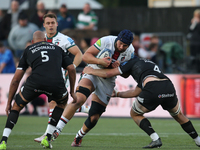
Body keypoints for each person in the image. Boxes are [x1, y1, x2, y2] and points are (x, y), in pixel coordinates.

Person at [41, 29, 135, 148]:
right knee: (79, 98)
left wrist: (120, 67)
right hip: (92, 71)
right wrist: (99, 61)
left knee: (94, 117)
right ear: (117, 38)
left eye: (124, 45)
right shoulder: (106, 41)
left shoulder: (131, 52)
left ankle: (79, 136)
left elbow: (126, 74)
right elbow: (86, 56)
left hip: (108, 80)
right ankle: (56, 130)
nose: (121, 46)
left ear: (129, 45)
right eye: (120, 43)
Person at [82, 57, 200, 148]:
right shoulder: (147, 64)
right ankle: (198, 141)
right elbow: (135, 92)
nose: (123, 75)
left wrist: (91, 70)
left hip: (153, 88)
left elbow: (109, 73)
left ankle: (155, 139)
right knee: (179, 116)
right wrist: (117, 94)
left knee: (135, 114)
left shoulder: (130, 63)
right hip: (168, 86)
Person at [0, 31, 77, 150]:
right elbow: (71, 68)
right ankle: (48, 137)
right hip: (55, 84)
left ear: (32, 42)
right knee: (62, 103)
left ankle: (3, 141)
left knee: (16, 107)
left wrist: (9, 102)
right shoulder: (57, 48)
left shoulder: (28, 49)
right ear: (45, 40)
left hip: (35, 83)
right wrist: (72, 91)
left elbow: (16, 79)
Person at [33, 13, 89, 143]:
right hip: (45, 75)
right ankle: (77, 108)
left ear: (57, 24)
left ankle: (47, 134)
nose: (51, 25)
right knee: (53, 103)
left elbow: (79, 54)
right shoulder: (41, 38)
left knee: (53, 102)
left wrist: (72, 67)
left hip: (60, 75)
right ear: (44, 25)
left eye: (53, 23)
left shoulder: (64, 39)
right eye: (48, 23)